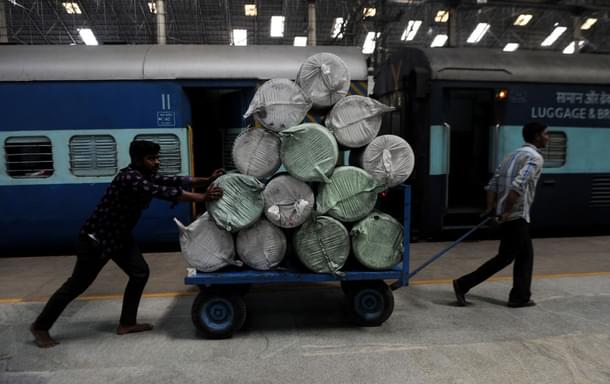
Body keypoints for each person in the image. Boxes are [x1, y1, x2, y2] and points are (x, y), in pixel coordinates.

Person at [30, 140, 224, 348]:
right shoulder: (129, 178)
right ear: (138, 160)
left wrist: (207, 180)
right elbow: (164, 193)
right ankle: (41, 326)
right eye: (151, 159)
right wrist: (203, 197)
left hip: (119, 238)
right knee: (76, 285)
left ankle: (127, 323)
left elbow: (175, 181)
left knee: (139, 272)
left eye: (157, 157)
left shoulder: (144, 175)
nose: (156, 162)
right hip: (97, 239)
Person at [452, 121, 549, 308]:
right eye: (546, 134)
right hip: (516, 216)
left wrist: (491, 208)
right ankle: (463, 284)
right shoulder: (535, 158)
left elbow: (493, 184)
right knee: (505, 257)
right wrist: (506, 212)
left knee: (525, 256)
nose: (548, 137)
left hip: (513, 215)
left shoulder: (510, 155)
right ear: (536, 136)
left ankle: (520, 296)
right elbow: (518, 186)